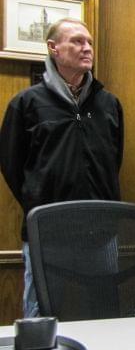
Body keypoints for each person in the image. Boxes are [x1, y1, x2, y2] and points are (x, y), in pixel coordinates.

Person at [0, 18, 124, 317]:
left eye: (90, 42)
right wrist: (40, 197)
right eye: (77, 41)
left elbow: (114, 160)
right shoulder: (27, 103)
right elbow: (12, 165)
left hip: (101, 230)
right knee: (40, 316)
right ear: (53, 48)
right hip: (47, 231)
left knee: (106, 312)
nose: (87, 48)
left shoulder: (108, 104)